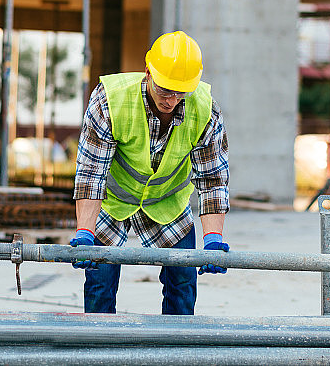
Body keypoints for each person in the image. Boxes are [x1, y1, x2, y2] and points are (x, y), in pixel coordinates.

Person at [70, 30, 230, 315]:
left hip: (167, 204)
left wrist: (213, 238)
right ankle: (96, 349)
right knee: (99, 281)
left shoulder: (205, 111)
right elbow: (91, 172)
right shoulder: (110, 101)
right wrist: (85, 230)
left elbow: (212, 179)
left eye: (180, 92)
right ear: (148, 72)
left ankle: (175, 352)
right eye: (165, 89)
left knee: (183, 281)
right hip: (113, 201)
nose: (171, 100)